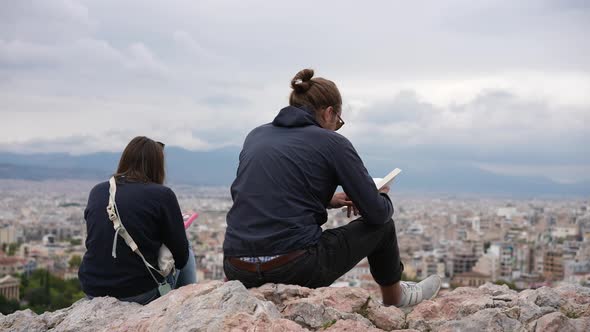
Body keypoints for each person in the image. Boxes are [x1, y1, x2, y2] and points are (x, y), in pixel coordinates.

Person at [223, 69, 441, 307]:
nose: (337, 128)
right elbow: (377, 214)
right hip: (294, 269)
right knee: (383, 227)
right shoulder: (332, 143)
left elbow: (267, 192)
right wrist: (381, 195)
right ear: (329, 113)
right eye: (338, 122)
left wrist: (328, 199)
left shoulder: (256, 136)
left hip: (237, 269)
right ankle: (397, 299)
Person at [79, 136, 196, 304]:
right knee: (186, 246)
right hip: (138, 292)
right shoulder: (162, 195)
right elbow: (181, 257)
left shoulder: (98, 191)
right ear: (157, 165)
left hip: (93, 289)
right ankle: (188, 302)